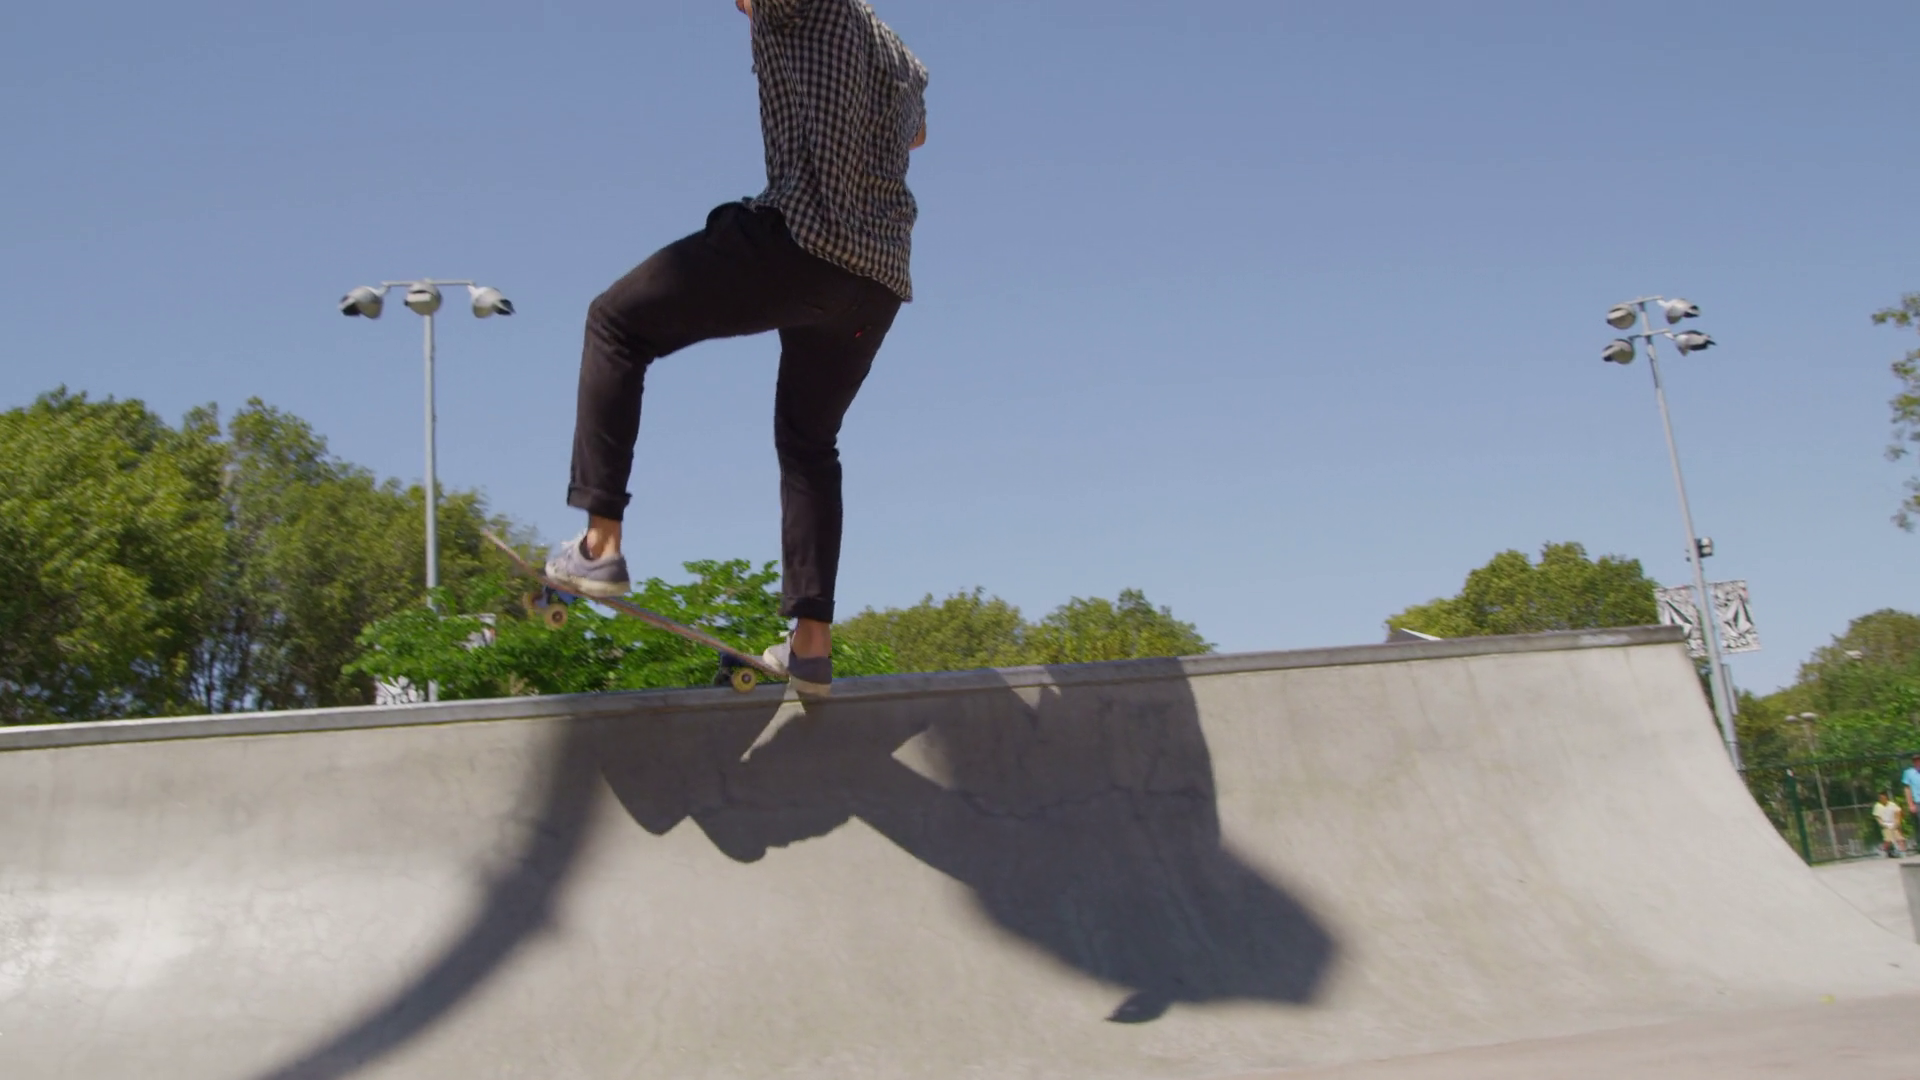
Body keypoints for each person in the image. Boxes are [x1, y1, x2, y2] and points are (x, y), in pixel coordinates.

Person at [544, 0, 929, 698]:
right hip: (875, 282)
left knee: (615, 324)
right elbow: (918, 135)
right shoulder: (899, 54)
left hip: (801, 245)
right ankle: (811, 646)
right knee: (809, 442)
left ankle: (599, 544)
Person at [1873, 791, 1907, 859]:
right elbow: (1877, 817)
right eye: (1880, 798)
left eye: (1883, 797)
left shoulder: (1892, 804)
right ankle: (1882, 850)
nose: (1882, 799)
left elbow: (1898, 813)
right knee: (1888, 840)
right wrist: (1882, 824)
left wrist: (1897, 823)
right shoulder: (1877, 806)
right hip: (1885, 825)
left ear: (1886, 797)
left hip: (1894, 823)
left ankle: (1902, 852)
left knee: (1900, 839)